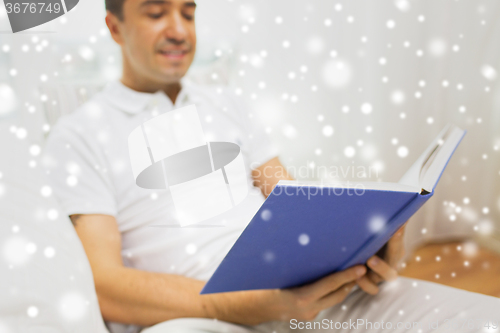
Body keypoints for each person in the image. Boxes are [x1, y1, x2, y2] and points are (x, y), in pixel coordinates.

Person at [42, 0, 500, 332]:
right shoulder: (79, 134)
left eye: (189, 11)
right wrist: (239, 306)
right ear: (115, 27)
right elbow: (104, 284)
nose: (179, 29)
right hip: (194, 317)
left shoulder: (227, 104)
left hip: (302, 292)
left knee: (480, 320)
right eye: (156, 12)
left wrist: (359, 247)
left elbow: (293, 200)